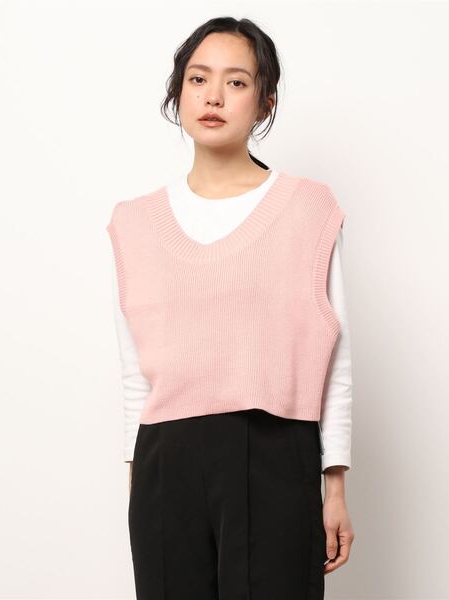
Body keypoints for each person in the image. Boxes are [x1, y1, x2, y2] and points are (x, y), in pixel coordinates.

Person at [106, 16, 354, 600]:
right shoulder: (134, 222)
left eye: (236, 82)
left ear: (266, 102)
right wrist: (138, 477)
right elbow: (134, 372)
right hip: (166, 461)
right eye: (198, 79)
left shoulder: (309, 209)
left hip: (276, 454)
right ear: (178, 92)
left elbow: (335, 352)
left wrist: (335, 484)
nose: (213, 96)